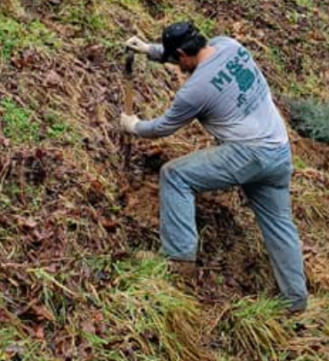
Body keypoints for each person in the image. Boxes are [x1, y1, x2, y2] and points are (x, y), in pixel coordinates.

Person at [119, 22, 309, 313]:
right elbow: (192, 59)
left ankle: (179, 261)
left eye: (176, 59)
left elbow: (163, 127)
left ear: (183, 52)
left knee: (175, 175)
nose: (179, 66)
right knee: (279, 224)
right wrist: (149, 50)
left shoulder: (194, 91)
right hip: (278, 149)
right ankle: (295, 300)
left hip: (249, 154)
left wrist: (134, 125)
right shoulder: (229, 46)